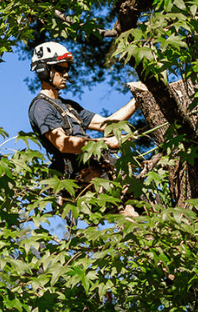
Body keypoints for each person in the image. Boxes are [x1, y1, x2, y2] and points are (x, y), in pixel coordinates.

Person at [27, 41, 145, 196]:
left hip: (100, 167)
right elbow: (62, 143)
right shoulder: (41, 106)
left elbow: (106, 125)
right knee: (130, 214)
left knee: (144, 201)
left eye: (67, 69)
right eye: (61, 69)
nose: (66, 74)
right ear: (43, 70)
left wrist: (138, 98)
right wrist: (106, 142)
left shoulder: (69, 106)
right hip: (82, 176)